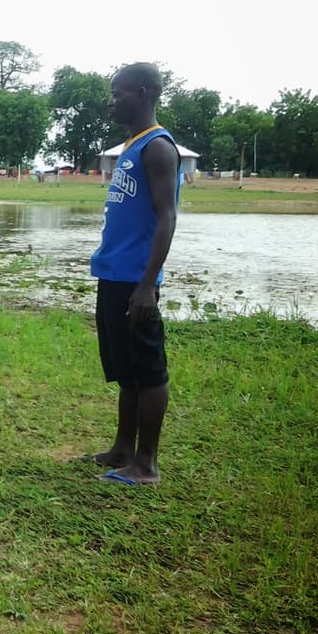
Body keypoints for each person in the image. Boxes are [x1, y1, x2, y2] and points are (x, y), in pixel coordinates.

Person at [89, 62, 182, 485]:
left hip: (136, 281)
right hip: (113, 274)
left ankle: (146, 464)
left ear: (142, 93)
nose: (112, 101)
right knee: (125, 369)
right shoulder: (131, 145)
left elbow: (167, 218)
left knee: (148, 370)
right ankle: (123, 448)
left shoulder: (159, 148)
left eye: (118, 93)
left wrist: (148, 284)